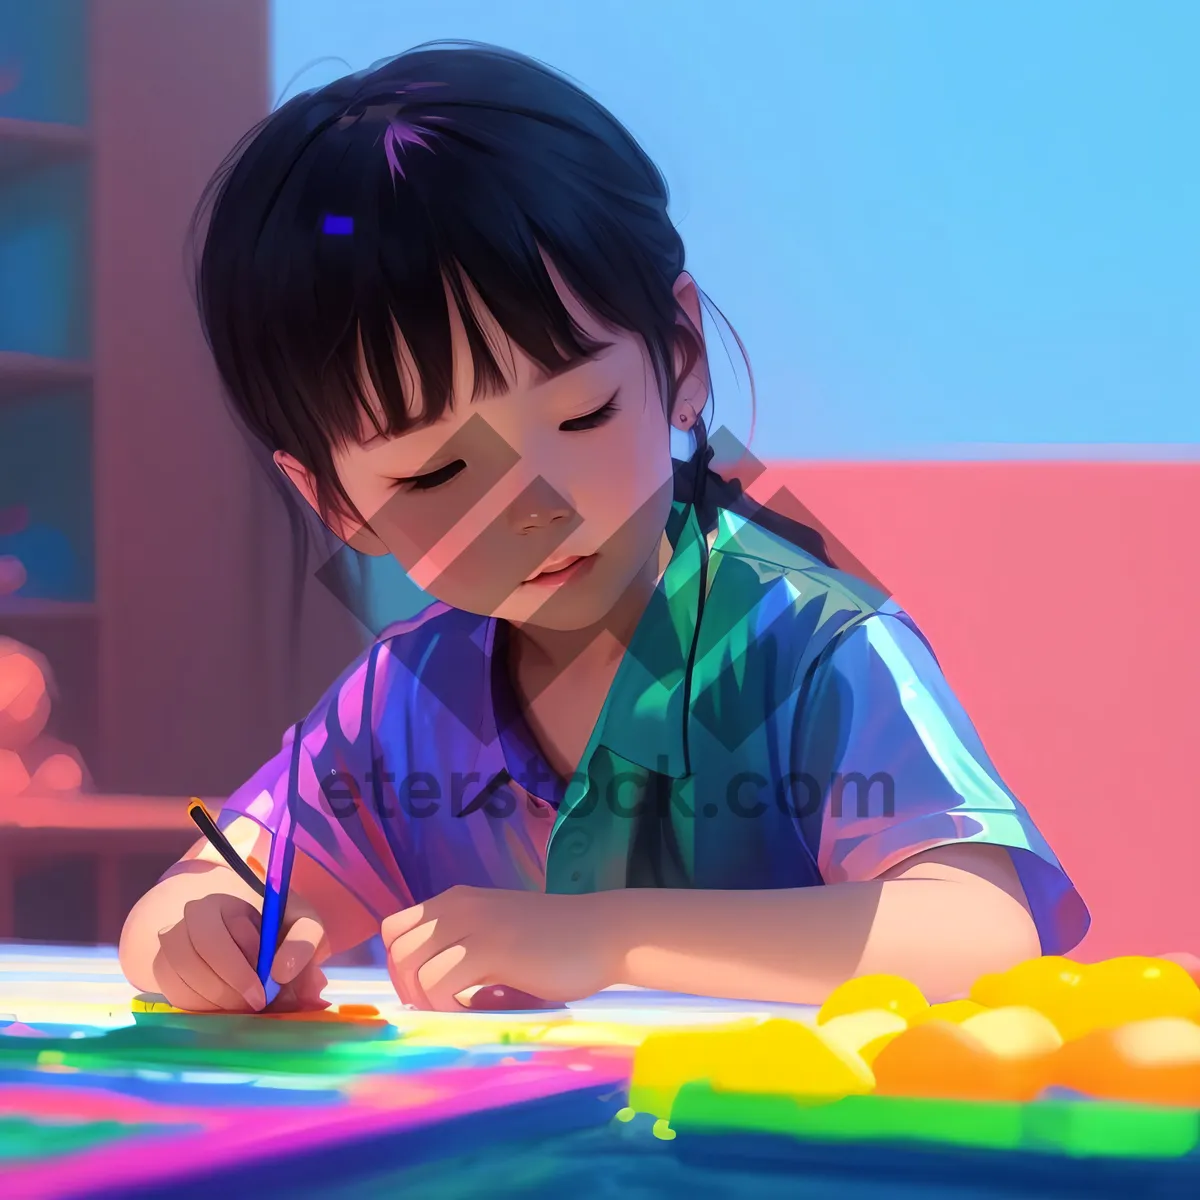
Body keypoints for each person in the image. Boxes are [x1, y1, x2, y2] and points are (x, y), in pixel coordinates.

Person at [118, 42, 1088, 1015]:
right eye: (437, 473)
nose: (534, 504)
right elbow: (220, 885)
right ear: (336, 503)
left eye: (583, 417)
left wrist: (607, 937)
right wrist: (201, 931)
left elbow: (986, 936)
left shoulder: (806, 641)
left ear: (679, 353)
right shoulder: (407, 700)